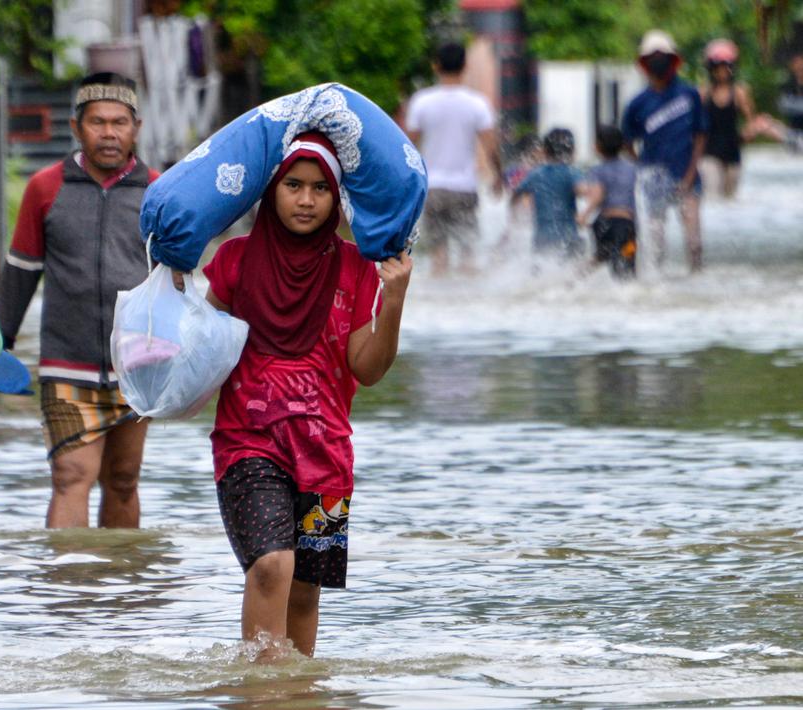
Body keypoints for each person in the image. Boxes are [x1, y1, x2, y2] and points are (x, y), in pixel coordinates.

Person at [199, 132, 412, 659]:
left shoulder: (356, 266)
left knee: (304, 590)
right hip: (248, 442)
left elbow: (369, 367)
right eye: (293, 184)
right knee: (272, 566)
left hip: (327, 455)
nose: (306, 199)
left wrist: (396, 298)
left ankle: (296, 694)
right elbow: (206, 352)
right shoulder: (233, 260)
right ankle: (258, 691)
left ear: (336, 199)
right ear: (272, 189)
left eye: (320, 188)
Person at [0, 73, 159, 529]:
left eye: (119, 122)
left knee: (124, 478)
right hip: (67, 362)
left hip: (139, 364)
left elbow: (176, 278)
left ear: (136, 128)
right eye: (98, 122)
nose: (109, 133)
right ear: (76, 127)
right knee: (71, 475)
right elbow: (22, 271)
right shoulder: (46, 188)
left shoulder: (160, 191)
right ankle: (67, 589)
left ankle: (122, 586)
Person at [405, 41, 502, 275]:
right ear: (465, 66)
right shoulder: (477, 103)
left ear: (435, 65)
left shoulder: (422, 101)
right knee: (468, 254)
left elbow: (407, 146)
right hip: (465, 188)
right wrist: (499, 176)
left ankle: (442, 304)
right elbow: (491, 145)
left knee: (438, 258)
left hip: (433, 188)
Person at [621, 30, 708, 272]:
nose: (659, 61)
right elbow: (627, 140)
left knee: (694, 242)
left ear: (673, 60)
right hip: (653, 180)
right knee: (655, 244)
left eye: (663, 56)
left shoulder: (689, 94)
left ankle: (697, 280)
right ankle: (657, 290)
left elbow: (700, 135)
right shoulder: (638, 103)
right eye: (654, 57)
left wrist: (690, 175)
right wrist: (642, 166)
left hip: (688, 178)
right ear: (645, 63)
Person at [511, 128, 585, 259]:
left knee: (541, 271)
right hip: (568, 237)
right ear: (573, 151)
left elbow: (516, 194)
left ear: (544, 151)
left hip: (542, 239)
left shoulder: (535, 173)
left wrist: (514, 216)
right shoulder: (572, 172)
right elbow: (583, 190)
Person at [698, 39, 758, 198]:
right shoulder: (703, 93)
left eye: (726, 66)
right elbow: (693, 121)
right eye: (718, 67)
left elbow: (751, 120)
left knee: (729, 198)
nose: (723, 71)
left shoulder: (739, 92)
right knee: (712, 194)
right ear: (711, 68)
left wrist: (748, 133)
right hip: (709, 151)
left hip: (733, 151)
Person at [578, 125, 639, 278]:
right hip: (626, 225)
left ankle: (574, 280)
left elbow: (597, 194)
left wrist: (584, 214)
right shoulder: (632, 168)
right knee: (626, 268)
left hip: (604, 224)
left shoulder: (597, 170)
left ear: (597, 147)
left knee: (602, 255)